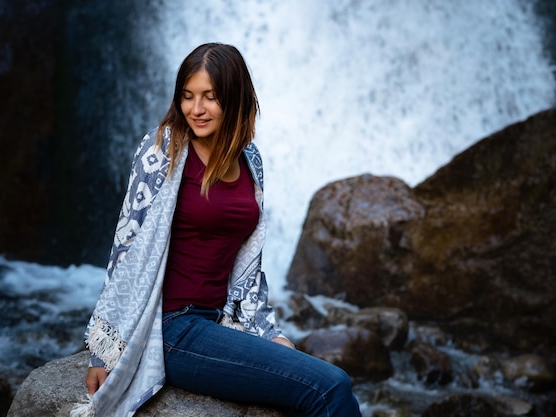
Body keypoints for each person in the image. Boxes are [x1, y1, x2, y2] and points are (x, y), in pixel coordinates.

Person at [71, 43, 362, 417]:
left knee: (321, 384)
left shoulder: (250, 158)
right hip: (172, 330)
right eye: (188, 96)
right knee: (330, 386)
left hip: (218, 321)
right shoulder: (164, 149)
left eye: (210, 97)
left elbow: (248, 263)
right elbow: (127, 246)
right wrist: (104, 350)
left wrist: (267, 332)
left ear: (235, 98)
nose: (196, 109)